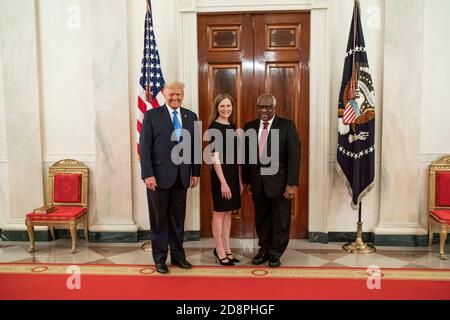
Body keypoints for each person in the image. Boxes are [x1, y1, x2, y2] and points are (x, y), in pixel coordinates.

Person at [139, 80, 200, 274]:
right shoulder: (152, 115)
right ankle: (159, 259)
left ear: (183, 95)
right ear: (164, 94)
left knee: (178, 220)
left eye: (179, 94)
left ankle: (178, 256)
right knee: (159, 220)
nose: (175, 98)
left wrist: (195, 172)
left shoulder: (191, 116)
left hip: (182, 177)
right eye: (171, 94)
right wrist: (148, 174)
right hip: (157, 178)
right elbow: (145, 148)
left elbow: (195, 148)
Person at [243, 94, 300, 268]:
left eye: (268, 107)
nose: (264, 110)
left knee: (281, 219)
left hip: (280, 184)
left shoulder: (287, 126)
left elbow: (294, 157)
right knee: (262, 219)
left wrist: (292, 184)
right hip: (258, 183)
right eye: (261, 107)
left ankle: (276, 253)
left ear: (275, 107)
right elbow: (247, 157)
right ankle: (264, 250)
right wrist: (247, 181)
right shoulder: (250, 127)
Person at [207, 94, 243, 266]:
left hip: (232, 174)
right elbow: (215, 158)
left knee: (229, 212)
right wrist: (223, 182)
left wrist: (239, 179)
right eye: (222, 106)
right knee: (220, 212)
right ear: (217, 108)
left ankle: (227, 248)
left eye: (228, 106)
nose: (226, 109)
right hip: (220, 175)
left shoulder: (231, 126)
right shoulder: (215, 127)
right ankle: (219, 249)